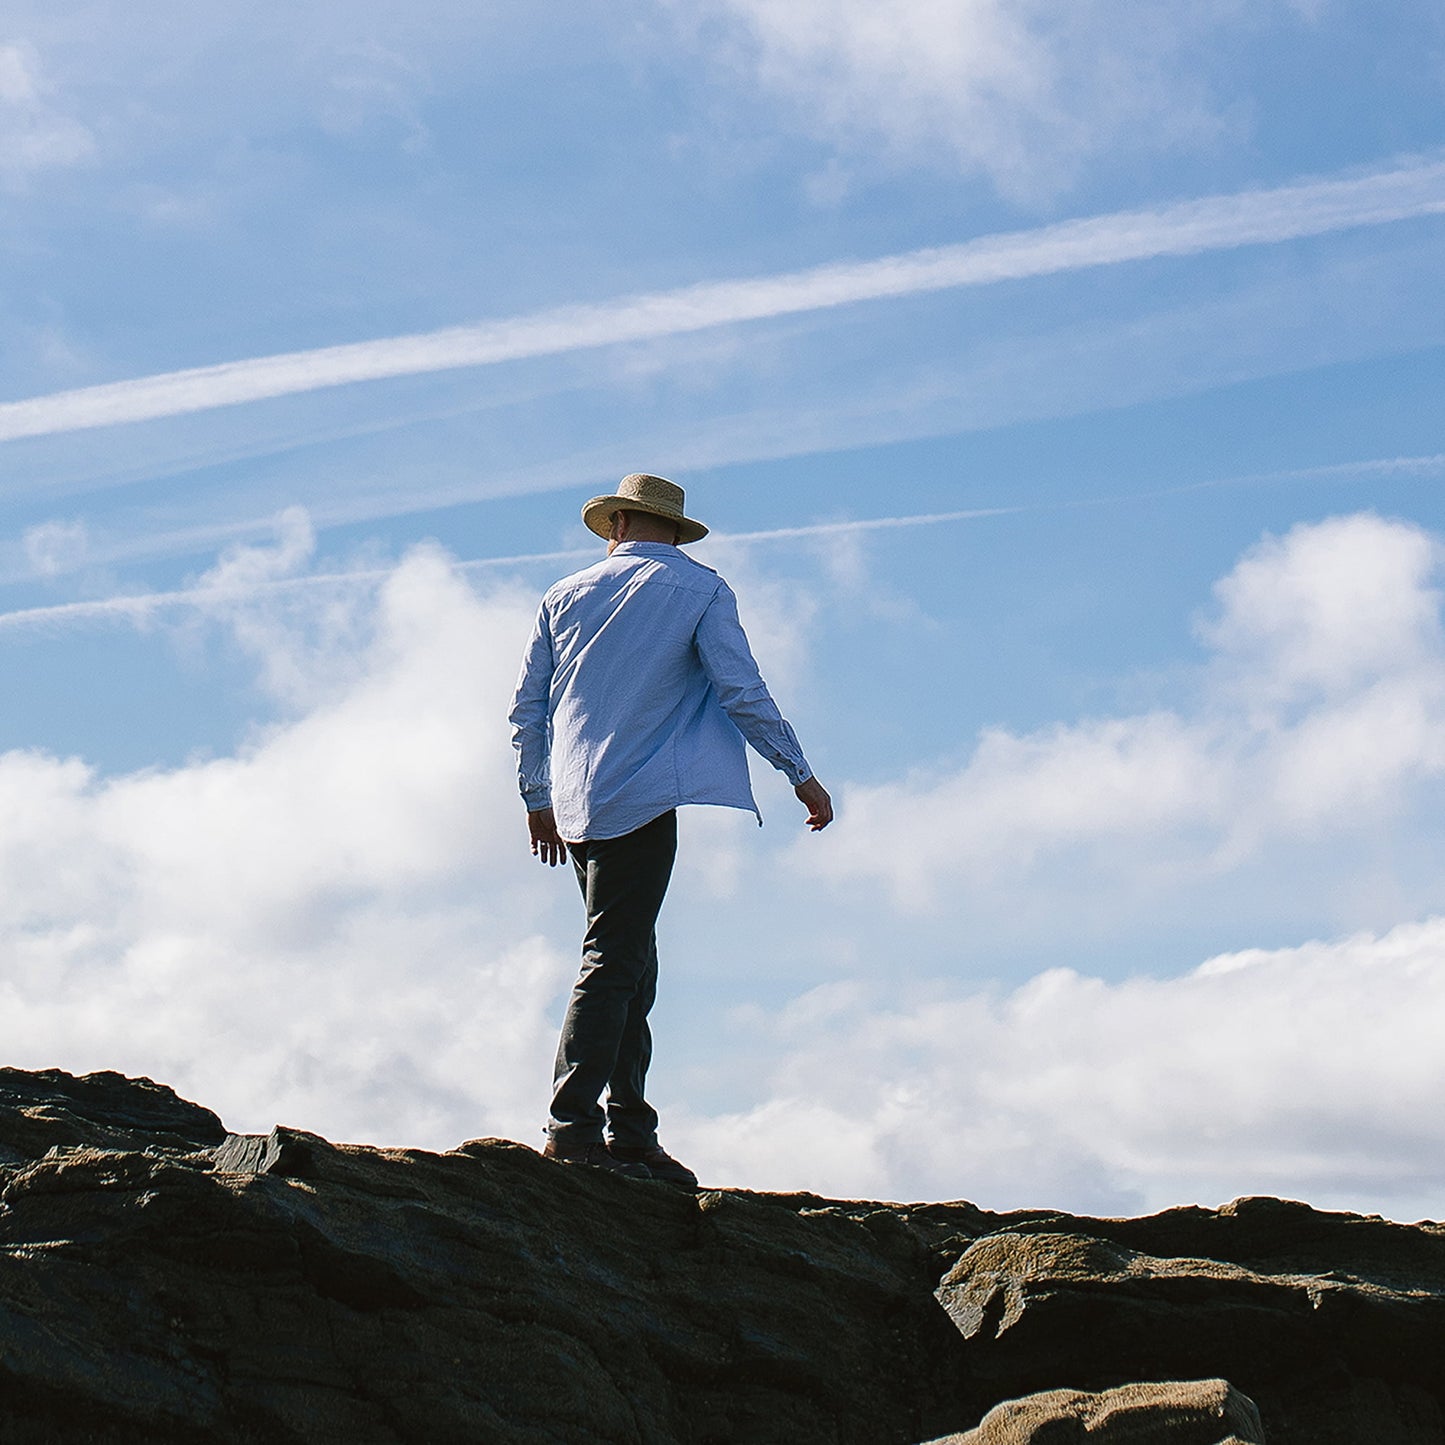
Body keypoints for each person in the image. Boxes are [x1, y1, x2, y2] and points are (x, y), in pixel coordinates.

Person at [509, 473, 832, 1187]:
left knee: (631, 962)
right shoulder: (701, 590)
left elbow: (527, 708)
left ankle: (629, 1126)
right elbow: (739, 688)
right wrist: (797, 771)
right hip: (644, 797)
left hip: (572, 799)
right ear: (671, 529)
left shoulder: (562, 594)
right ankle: (574, 1125)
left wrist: (535, 796)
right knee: (614, 961)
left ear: (618, 522)